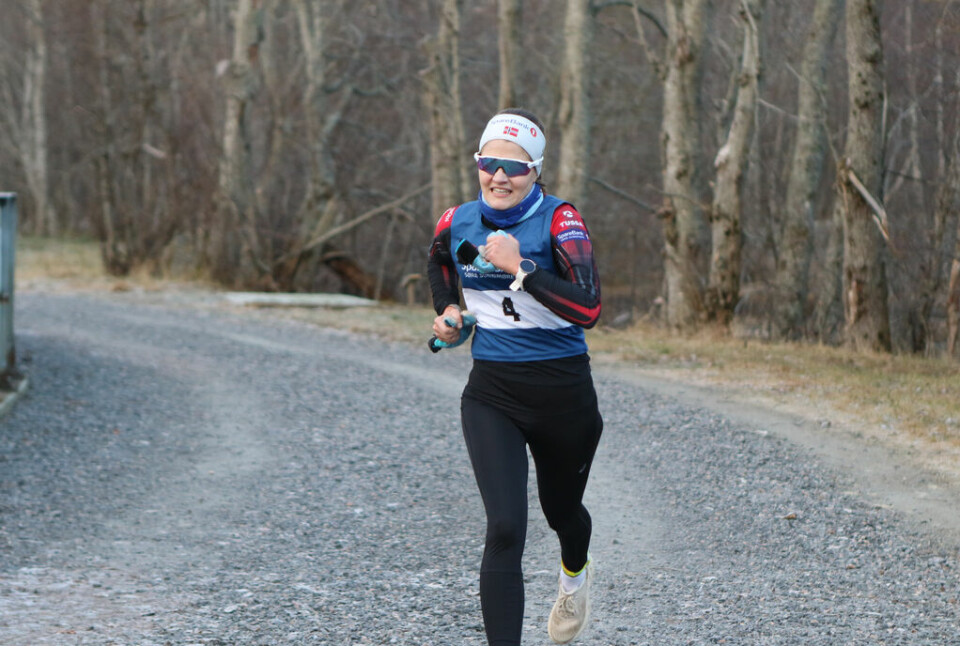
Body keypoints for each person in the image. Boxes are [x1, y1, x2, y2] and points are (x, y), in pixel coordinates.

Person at [427, 108, 603, 645]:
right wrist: (449, 315)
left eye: (514, 166)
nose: (499, 176)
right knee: (505, 527)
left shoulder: (558, 221)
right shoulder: (458, 221)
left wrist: (520, 269)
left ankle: (575, 572)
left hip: (563, 393)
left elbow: (589, 309)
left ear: (535, 171)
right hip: (493, 393)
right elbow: (439, 260)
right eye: (489, 162)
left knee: (562, 513)